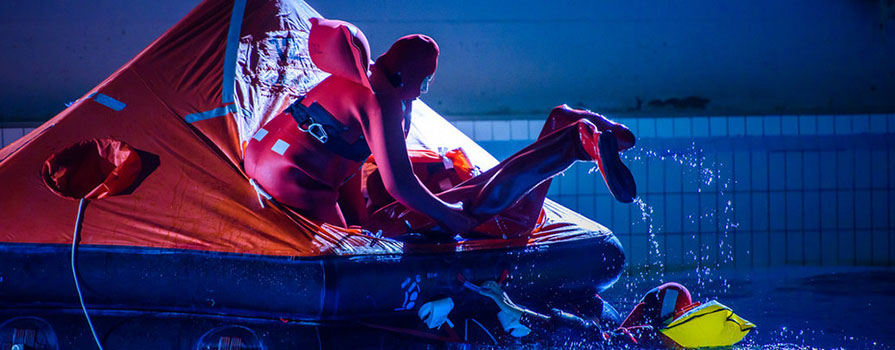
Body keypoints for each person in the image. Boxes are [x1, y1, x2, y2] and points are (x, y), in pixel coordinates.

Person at [245, 17, 637, 239]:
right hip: (311, 183)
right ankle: (568, 132)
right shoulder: (379, 102)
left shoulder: (347, 83)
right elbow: (391, 183)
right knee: (481, 205)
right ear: (411, 77)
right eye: (425, 82)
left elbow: (351, 167)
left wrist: (367, 222)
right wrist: (449, 219)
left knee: (482, 201)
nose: (424, 91)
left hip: (287, 173)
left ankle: (569, 134)